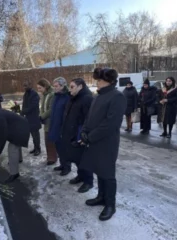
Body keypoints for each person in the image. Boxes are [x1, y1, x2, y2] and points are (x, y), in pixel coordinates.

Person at [80, 68, 126, 221]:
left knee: (108, 174)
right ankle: (101, 197)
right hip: (94, 141)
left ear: (109, 81)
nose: (96, 83)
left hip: (107, 143)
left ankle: (110, 204)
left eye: (99, 80)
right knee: (98, 169)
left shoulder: (117, 96)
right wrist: (84, 131)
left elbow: (111, 124)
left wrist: (90, 137)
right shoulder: (98, 96)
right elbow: (89, 117)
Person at [62, 78, 94, 193]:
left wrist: (83, 135)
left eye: (72, 87)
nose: (69, 89)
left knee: (84, 159)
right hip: (71, 132)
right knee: (76, 157)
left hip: (80, 133)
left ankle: (88, 182)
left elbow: (89, 119)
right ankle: (80, 176)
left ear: (80, 86)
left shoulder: (87, 99)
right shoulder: (73, 98)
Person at [48, 77, 71, 176]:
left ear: (62, 86)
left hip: (62, 128)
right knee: (58, 147)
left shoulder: (67, 97)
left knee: (64, 149)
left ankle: (67, 167)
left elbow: (67, 115)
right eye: (54, 86)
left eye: (56, 86)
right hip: (55, 125)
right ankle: (62, 164)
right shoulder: (56, 96)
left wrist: (63, 128)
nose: (54, 88)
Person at [36, 78, 57, 165]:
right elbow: (42, 107)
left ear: (45, 86)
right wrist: (40, 116)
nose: (39, 90)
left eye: (40, 88)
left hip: (51, 121)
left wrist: (42, 116)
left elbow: (51, 109)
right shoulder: (44, 95)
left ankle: (52, 158)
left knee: (50, 140)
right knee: (47, 140)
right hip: (46, 121)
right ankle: (50, 156)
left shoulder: (52, 95)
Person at [21, 81, 41, 156]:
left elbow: (33, 106)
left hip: (34, 117)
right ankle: (35, 148)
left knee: (35, 134)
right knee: (32, 134)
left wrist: (25, 111)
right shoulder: (26, 94)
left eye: (26, 86)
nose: (25, 87)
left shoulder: (34, 94)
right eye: (24, 86)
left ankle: (38, 149)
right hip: (28, 117)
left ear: (30, 85)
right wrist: (22, 113)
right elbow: (24, 104)